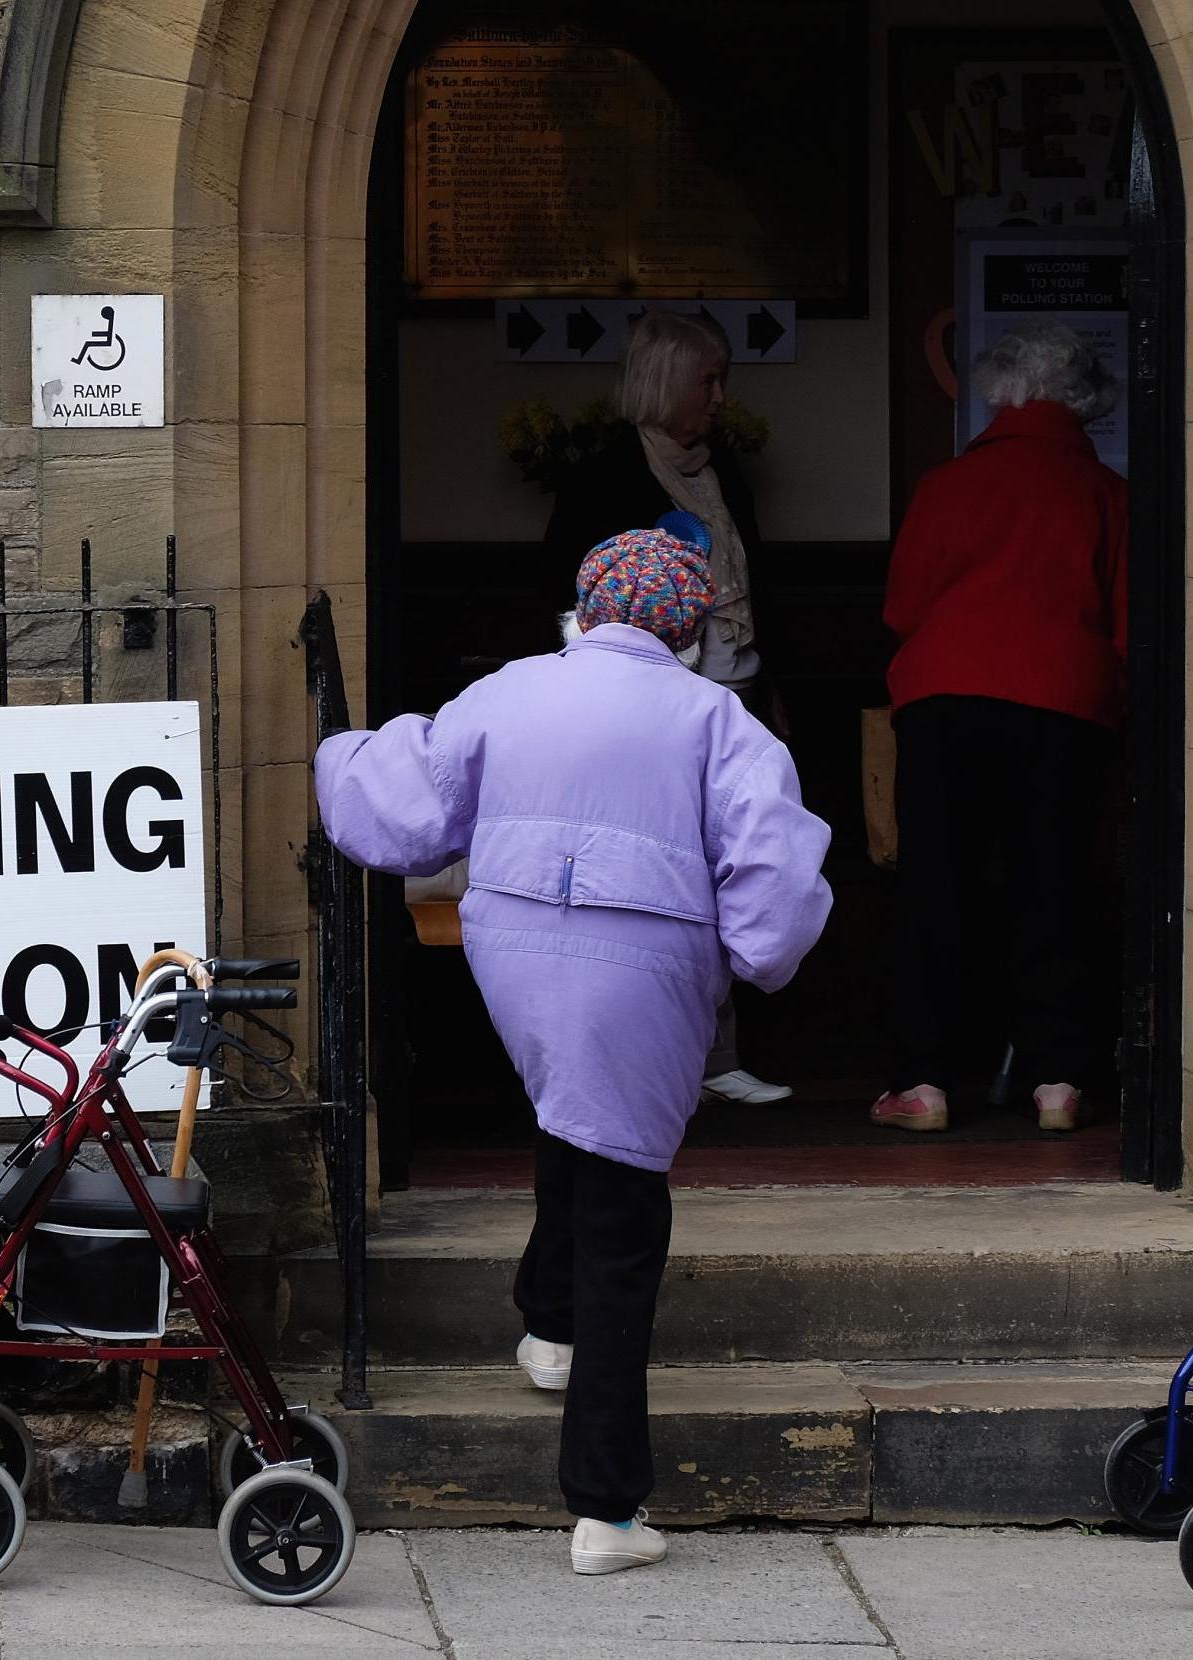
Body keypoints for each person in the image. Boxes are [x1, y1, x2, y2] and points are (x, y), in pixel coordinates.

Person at [314, 529, 833, 1575]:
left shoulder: (510, 689)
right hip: (643, 963)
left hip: (512, 950)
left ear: (584, 609)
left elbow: (406, 805)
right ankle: (607, 1506)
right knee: (624, 1217)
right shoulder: (716, 720)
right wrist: (751, 958)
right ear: (687, 629)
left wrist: (335, 751)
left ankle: (546, 1325)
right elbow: (773, 886)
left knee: (573, 1117)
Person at [872, 323, 1130, 1136]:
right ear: (1082, 400)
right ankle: (1057, 1081)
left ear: (1000, 393)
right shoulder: (1106, 493)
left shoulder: (944, 486)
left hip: (943, 699)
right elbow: (1127, 629)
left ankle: (925, 1082)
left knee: (934, 888)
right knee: (1054, 885)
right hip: (1062, 704)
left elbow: (901, 611)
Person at [546, 308, 792, 1108]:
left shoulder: (724, 473)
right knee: (654, 882)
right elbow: (566, 602)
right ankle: (657, 1061)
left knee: (734, 873)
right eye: (706, 381)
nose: (719, 397)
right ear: (662, 384)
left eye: (722, 379)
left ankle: (718, 1057)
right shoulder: (602, 476)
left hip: (736, 701)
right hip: (647, 715)